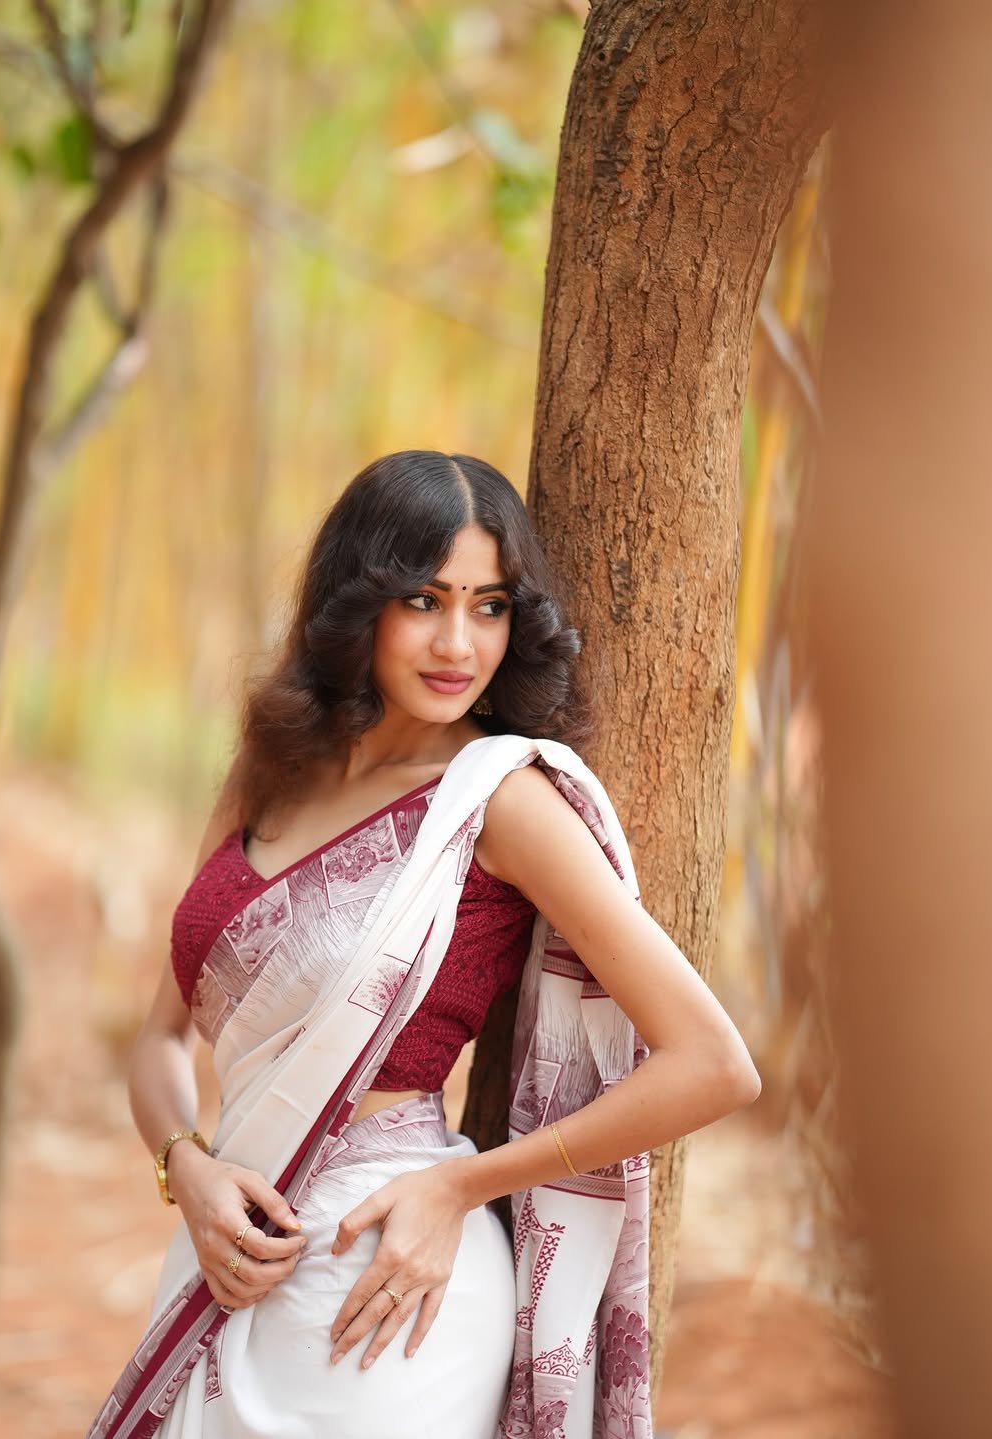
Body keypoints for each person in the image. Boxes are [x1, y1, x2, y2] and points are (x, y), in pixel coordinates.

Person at [87, 451, 761, 1439]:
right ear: (357, 604)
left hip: (388, 1292)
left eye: (490, 606)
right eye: (424, 599)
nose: (459, 642)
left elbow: (715, 1064)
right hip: (223, 1263)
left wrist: (461, 1183)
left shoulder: (500, 802)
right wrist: (185, 1167)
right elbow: (158, 1039)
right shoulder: (268, 772)